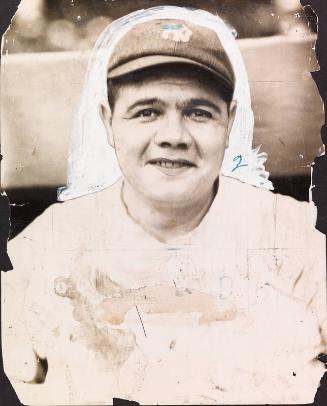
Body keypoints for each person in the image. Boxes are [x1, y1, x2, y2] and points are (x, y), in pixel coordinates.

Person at [2, 6, 326, 405]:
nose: (173, 135)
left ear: (230, 121)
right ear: (108, 121)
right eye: (147, 111)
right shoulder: (45, 251)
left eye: (199, 112)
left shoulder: (298, 242)